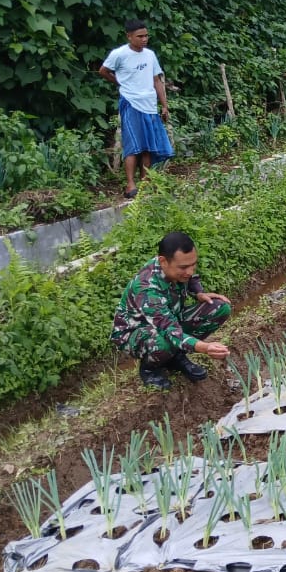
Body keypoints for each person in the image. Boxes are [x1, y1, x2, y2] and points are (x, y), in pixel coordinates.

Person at [111, 232, 231, 390]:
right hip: (136, 333)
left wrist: (198, 293)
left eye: (193, 264)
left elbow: (191, 277)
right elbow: (170, 330)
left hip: (169, 320)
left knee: (219, 308)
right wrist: (206, 348)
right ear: (163, 261)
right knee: (162, 340)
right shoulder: (147, 289)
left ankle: (175, 356)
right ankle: (149, 368)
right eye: (183, 267)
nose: (189, 271)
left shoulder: (178, 266)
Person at [99, 19, 174, 199]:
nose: (144, 39)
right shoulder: (119, 54)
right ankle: (130, 183)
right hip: (131, 103)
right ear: (129, 36)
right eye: (140, 36)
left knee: (148, 144)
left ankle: (145, 181)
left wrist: (164, 106)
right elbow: (103, 70)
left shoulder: (150, 55)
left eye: (146, 35)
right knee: (133, 144)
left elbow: (156, 80)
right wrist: (120, 82)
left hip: (149, 104)